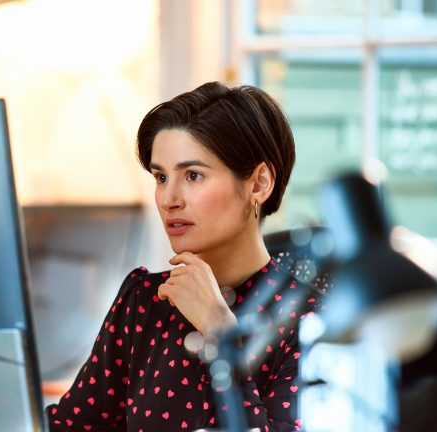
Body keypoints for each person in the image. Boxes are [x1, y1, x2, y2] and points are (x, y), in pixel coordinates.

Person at [45, 82, 318, 431]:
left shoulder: (309, 324)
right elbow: (72, 427)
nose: (168, 199)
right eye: (161, 177)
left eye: (193, 175)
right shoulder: (144, 301)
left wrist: (220, 333)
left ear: (259, 184)